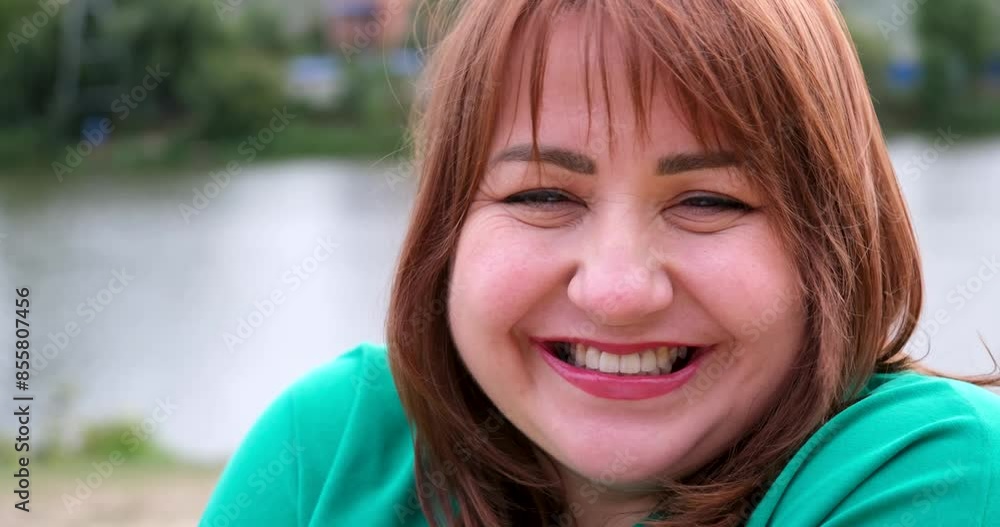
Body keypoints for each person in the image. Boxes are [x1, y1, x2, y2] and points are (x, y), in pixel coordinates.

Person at [200, 1, 1000, 525]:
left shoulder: (932, 472)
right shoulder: (328, 453)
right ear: (446, 230)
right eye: (543, 194)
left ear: (832, 244)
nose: (617, 292)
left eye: (709, 200)